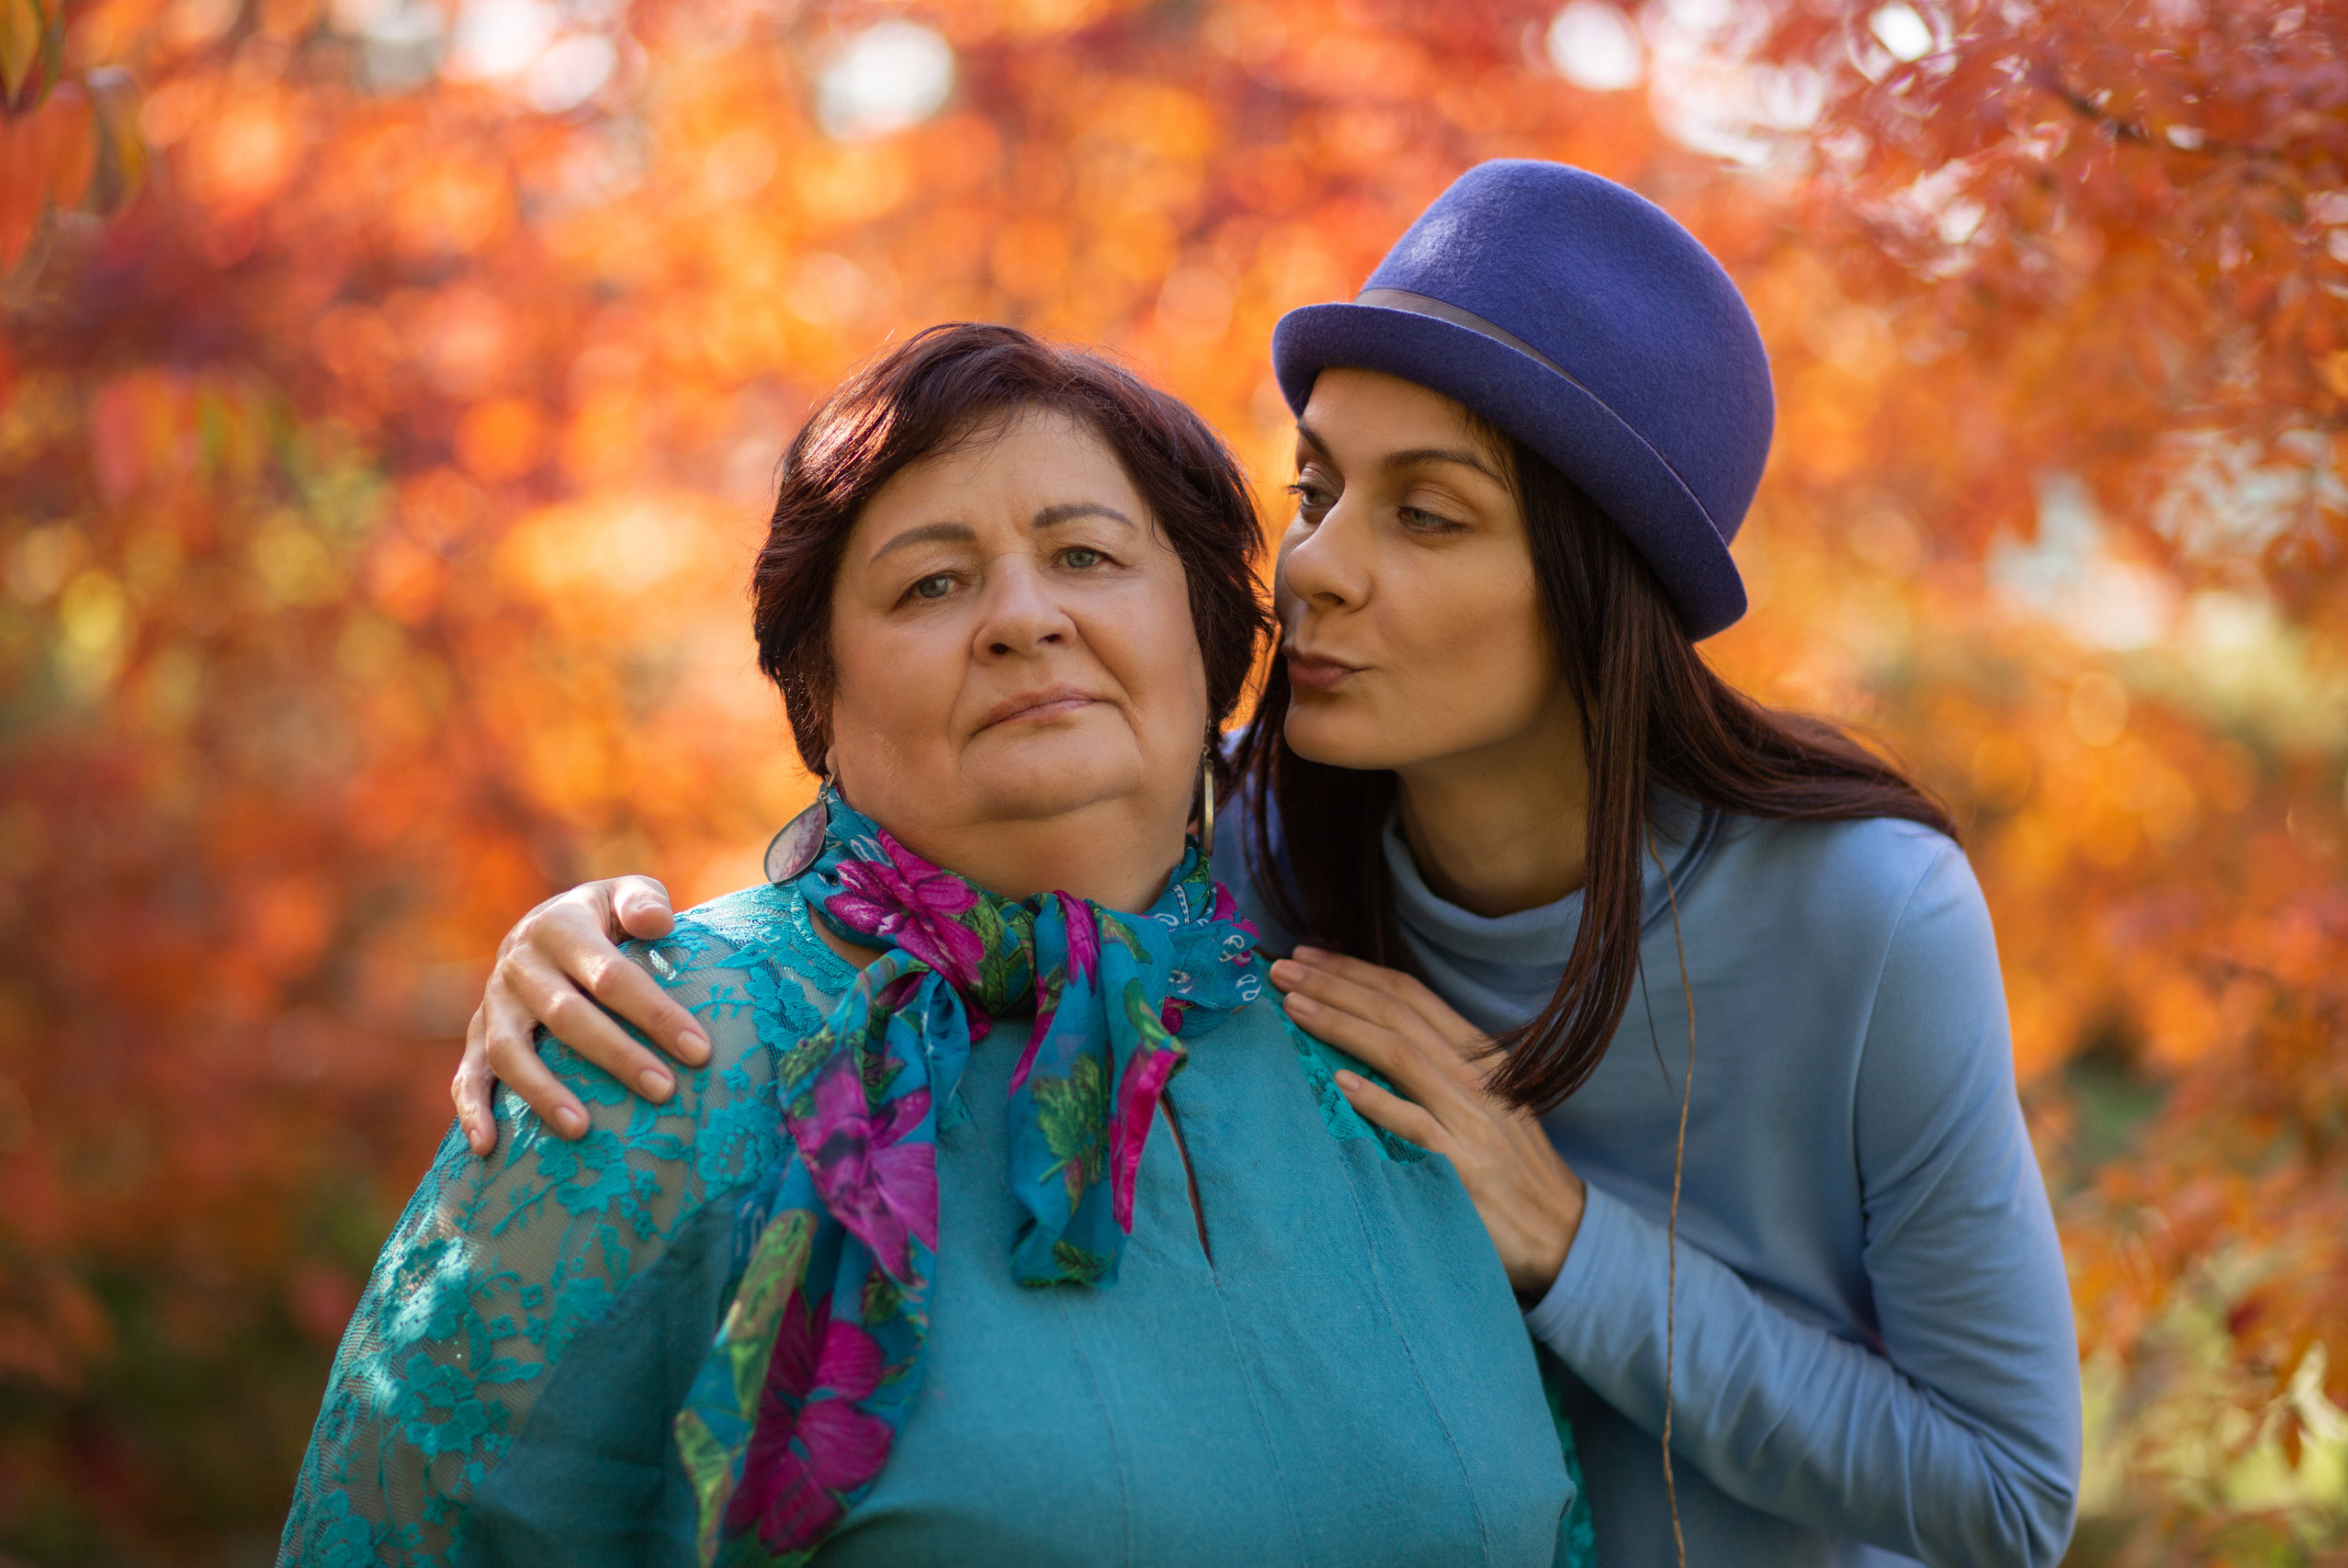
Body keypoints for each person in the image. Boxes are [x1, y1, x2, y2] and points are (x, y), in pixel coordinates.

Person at [452, 164, 2083, 1568]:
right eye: (1318, 489)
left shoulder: (1863, 915)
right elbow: (952, 845)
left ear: (1597, 592)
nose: (1314, 570)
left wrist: (1570, 1247)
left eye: (1426, 517)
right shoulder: (1251, 848)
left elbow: (2015, 1494)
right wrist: (598, 939)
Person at [279, 322, 1588, 1567]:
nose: (1022, 618)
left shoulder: (1368, 1068)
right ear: (822, 708)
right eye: (931, 583)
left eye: (1086, 557)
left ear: (1214, 645)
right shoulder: (656, 1039)